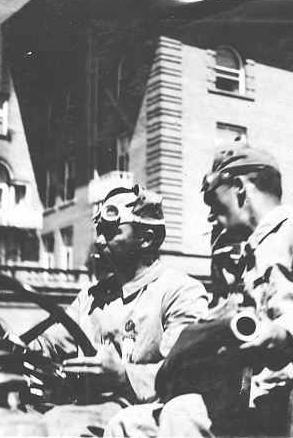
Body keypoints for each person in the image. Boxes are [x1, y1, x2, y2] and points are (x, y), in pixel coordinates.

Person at [106, 139, 293, 436]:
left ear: (238, 187)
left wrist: (282, 331)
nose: (210, 214)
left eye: (212, 199)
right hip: (254, 393)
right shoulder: (250, 254)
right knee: (128, 424)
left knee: (182, 414)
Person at [29, 185, 209, 436]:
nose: (99, 240)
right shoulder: (90, 297)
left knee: (57, 425)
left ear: (145, 239)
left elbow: (184, 373)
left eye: (111, 232)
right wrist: (0, 335)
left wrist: (124, 374)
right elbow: (51, 342)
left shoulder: (179, 291)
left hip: (141, 414)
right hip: (86, 408)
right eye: (99, 231)